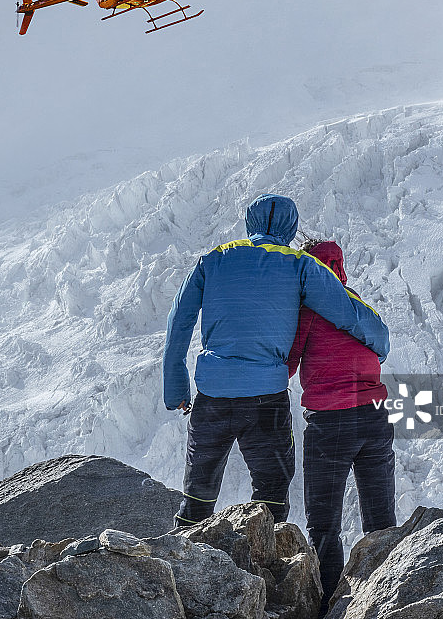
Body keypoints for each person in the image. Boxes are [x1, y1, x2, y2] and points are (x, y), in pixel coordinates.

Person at [163, 194, 390, 528]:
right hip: (265, 400)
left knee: (198, 496)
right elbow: (347, 313)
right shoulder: (299, 265)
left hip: (213, 396)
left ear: (248, 222)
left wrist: (176, 387)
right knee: (271, 494)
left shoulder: (213, 259)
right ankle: (263, 568)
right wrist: (380, 344)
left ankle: (179, 567)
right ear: (292, 227)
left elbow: (179, 322)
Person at [287, 239, 395, 617]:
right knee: (381, 519)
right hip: (375, 416)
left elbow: (285, 363)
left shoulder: (307, 310)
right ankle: (391, 592)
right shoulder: (357, 305)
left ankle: (328, 605)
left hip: (330, 422)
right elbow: (381, 346)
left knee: (323, 523)